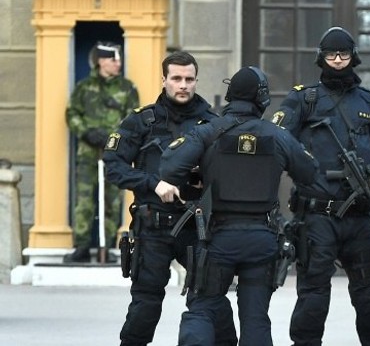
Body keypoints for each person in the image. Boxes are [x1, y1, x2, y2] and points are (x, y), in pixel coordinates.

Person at [157, 66, 319, 346]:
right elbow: (310, 173)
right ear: (263, 99)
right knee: (255, 318)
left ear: (231, 95)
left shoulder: (207, 133)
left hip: (217, 237)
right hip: (262, 239)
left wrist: (198, 175)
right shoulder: (277, 136)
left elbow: (169, 167)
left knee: (203, 308)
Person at [270, 26, 370, 346]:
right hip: (317, 215)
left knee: (369, 295)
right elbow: (277, 143)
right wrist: (304, 170)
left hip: (359, 215)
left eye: (343, 54)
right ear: (321, 57)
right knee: (314, 294)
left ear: (353, 56)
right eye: (331, 54)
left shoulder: (369, 102)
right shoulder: (303, 99)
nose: (338, 60)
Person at [102, 51, 237, 346]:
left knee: (212, 299)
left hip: (196, 227)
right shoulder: (142, 121)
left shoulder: (212, 124)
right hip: (154, 226)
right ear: (164, 80)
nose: (183, 85)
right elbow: (113, 166)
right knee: (146, 304)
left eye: (189, 79)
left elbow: (232, 172)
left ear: (196, 81)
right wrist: (153, 183)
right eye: (176, 78)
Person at [64, 41, 139, 263]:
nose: (119, 63)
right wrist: (86, 132)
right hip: (88, 154)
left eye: (119, 59)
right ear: (101, 61)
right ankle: (83, 246)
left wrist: (112, 137)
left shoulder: (127, 88)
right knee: (85, 201)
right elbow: (72, 113)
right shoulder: (84, 87)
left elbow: (133, 118)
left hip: (114, 154)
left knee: (112, 201)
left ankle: (106, 245)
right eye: (114, 59)